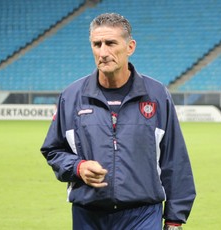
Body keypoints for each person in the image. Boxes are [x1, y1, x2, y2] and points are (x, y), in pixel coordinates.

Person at [41, 13, 196, 230]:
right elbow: (53, 150)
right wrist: (78, 167)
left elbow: (174, 158)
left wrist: (174, 218)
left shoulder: (157, 95)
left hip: (142, 215)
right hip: (88, 216)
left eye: (111, 43)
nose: (103, 52)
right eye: (97, 44)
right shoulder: (71, 96)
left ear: (130, 47)